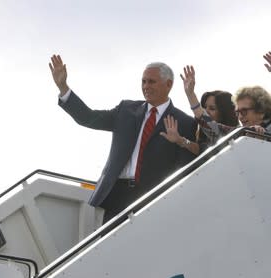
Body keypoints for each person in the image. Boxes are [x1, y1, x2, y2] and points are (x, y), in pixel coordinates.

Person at [49, 55, 197, 223]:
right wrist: (63, 87)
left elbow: (186, 168)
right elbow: (88, 118)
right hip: (117, 195)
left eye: (151, 82)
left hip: (154, 199)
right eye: (143, 81)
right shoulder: (126, 110)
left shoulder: (185, 122)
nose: (146, 86)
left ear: (168, 84)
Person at [180, 65, 271, 143]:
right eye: (238, 112)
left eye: (244, 111)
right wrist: (190, 94)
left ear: (261, 111)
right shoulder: (240, 132)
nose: (240, 117)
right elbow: (209, 124)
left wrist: (261, 138)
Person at [160, 90, 238, 154]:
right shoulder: (201, 135)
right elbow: (200, 150)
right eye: (204, 107)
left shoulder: (235, 134)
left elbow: (205, 121)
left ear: (224, 113)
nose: (205, 111)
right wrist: (179, 140)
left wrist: (190, 93)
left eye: (212, 108)